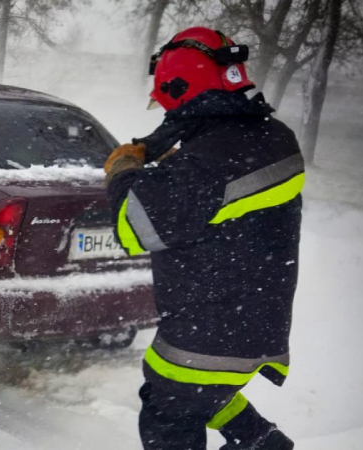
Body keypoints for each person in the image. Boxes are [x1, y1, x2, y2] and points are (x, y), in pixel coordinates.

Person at [104, 27, 302, 450]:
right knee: (202, 398)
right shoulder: (273, 137)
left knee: (168, 413)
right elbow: (221, 197)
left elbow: (132, 228)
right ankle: (266, 443)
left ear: (179, 88)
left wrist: (123, 168)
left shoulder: (209, 161)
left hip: (204, 338)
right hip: (253, 328)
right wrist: (178, 156)